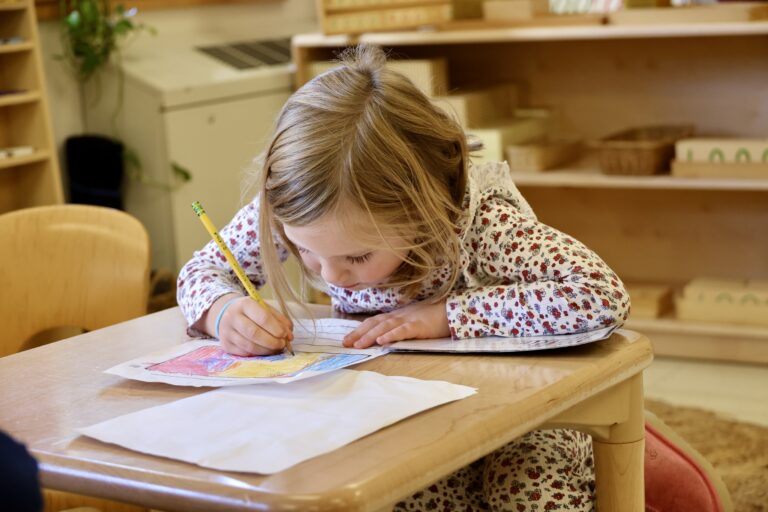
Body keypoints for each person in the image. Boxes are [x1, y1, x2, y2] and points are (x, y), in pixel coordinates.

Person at [177, 44, 630, 511]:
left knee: (528, 493)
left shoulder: (480, 220)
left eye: (358, 256)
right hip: (400, 420)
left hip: (523, 423)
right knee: (389, 491)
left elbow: (598, 293)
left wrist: (447, 316)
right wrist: (223, 310)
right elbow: (202, 270)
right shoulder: (302, 204)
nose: (331, 274)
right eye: (306, 250)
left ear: (423, 211)